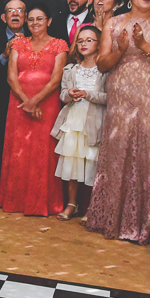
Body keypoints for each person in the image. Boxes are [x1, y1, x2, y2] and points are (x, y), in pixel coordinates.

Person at [83, 0, 150, 246]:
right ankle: (115, 219)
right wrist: (120, 49)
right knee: (119, 151)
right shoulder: (114, 23)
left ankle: (146, 223)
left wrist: (144, 45)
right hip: (121, 93)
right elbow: (102, 64)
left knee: (149, 151)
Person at [0, 2, 68, 216]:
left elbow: (56, 79)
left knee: (44, 150)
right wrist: (26, 102)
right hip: (18, 103)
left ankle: (42, 201)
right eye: (31, 19)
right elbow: (11, 77)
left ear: (49, 21)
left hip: (47, 103)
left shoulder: (60, 45)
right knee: (18, 150)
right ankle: (16, 200)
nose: (35, 23)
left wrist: (34, 101)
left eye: (40, 19)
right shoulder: (18, 44)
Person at [51, 25, 106, 220]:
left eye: (89, 40)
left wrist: (88, 94)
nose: (84, 44)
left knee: (92, 162)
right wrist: (70, 94)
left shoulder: (104, 70)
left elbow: (109, 97)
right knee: (72, 162)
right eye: (80, 40)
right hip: (74, 121)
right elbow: (62, 95)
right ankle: (72, 204)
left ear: (99, 44)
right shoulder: (71, 69)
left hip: (95, 121)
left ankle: (91, 206)